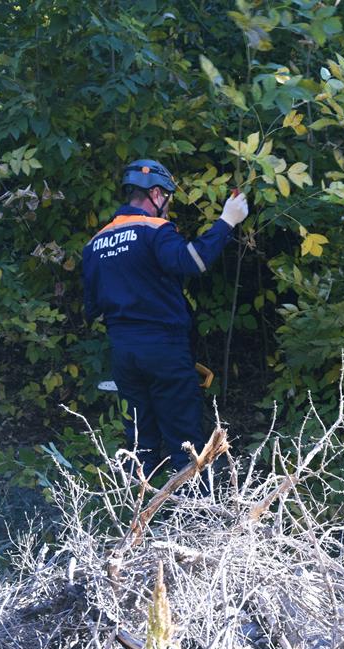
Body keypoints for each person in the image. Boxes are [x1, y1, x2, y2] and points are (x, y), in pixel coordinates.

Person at [82, 159, 249, 475]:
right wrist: (227, 220)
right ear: (157, 194)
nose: (168, 207)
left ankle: (135, 502)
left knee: (139, 445)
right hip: (163, 349)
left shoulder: (95, 243)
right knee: (185, 444)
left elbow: (92, 308)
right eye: (168, 199)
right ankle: (195, 505)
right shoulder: (155, 230)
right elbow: (192, 261)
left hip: (123, 352)